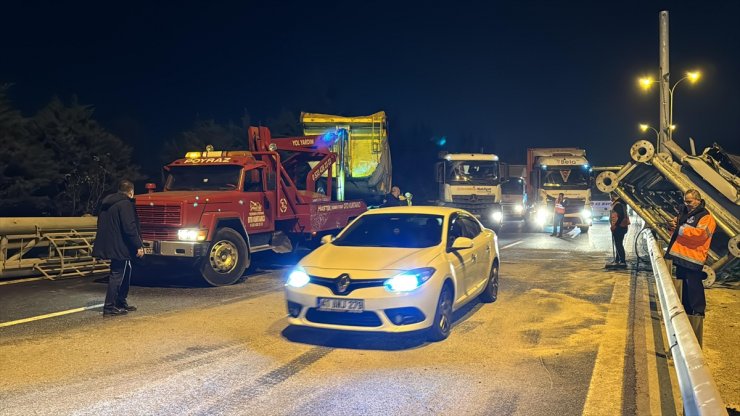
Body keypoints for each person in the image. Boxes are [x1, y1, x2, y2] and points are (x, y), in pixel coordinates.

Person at [665, 189, 716, 346]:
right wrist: (672, 225)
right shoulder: (685, 214)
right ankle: (687, 311)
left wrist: (680, 228)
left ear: (698, 201)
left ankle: (697, 313)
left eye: (689, 201)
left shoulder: (706, 218)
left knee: (694, 286)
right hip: (681, 257)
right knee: (684, 286)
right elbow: (675, 231)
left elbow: (700, 235)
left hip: (694, 258)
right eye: (685, 201)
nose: (686, 204)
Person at [92, 180, 144, 317]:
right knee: (117, 273)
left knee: (127, 269)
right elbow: (129, 227)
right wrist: (138, 245)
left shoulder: (106, 204)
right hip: (120, 244)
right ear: (131, 192)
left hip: (110, 242)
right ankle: (109, 307)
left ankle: (121, 301)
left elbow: (100, 223)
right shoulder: (125, 204)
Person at [607, 193, 630, 268]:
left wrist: (615, 226)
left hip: (619, 228)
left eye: (611, 196)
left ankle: (622, 261)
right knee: (618, 243)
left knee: (618, 244)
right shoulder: (621, 204)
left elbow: (621, 217)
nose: (610, 198)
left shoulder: (618, 205)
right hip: (621, 227)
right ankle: (617, 259)